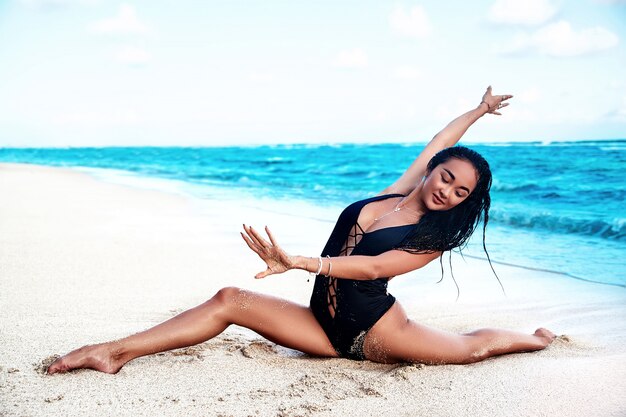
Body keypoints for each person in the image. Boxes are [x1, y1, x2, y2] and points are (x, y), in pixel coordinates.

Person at [47, 86, 556, 375]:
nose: (448, 191)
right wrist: (479, 110)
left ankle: (535, 339)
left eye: (460, 192)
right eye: (446, 177)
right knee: (229, 298)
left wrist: (300, 263)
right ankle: (113, 352)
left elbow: (375, 266)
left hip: (372, 333)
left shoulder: (432, 236)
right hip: (320, 324)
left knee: (473, 347)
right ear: (432, 171)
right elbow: (439, 140)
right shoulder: (399, 188)